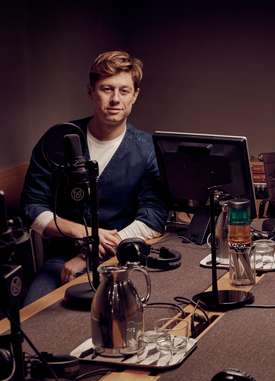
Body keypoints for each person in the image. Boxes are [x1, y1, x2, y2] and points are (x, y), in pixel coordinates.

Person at [21, 50, 168, 304]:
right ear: (91, 91)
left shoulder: (147, 148)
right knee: (32, 320)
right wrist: (83, 232)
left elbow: (153, 215)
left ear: (135, 96)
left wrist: (94, 252)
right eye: (106, 89)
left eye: (124, 91)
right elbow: (31, 207)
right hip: (61, 261)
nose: (115, 99)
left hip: (122, 258)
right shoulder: (57, 140)